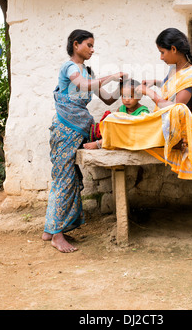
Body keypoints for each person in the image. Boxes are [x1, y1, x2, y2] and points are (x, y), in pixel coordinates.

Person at [42, 29, 127, 253]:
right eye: (88, 45)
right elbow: (83, 86)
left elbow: (108, 99)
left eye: (93, 45)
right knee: (64, 179)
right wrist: (110, 76)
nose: (92, 49)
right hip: (65, 129)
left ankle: (50, 229)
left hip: (78, 129)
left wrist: (123, 86)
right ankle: (57, 235)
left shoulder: (88, 73)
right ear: (76, 44)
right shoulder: (69, 67)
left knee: (66, 177)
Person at [100, 28, 192, 180]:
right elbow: (172, 87)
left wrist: (149, 92)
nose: (161, 57)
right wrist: (155, 83)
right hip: (159, 120)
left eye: (162, 52)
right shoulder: (174, 69)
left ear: (173, 49)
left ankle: (174, 140)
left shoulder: (191, 74)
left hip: (174, 126)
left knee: (120, 124)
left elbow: (175, 107)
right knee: (112, 119)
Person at [83, 78, 150, 150]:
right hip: (121, 136)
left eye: (130, 96)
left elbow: (142, 130)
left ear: (139, 96)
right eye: (124, 96)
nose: (126, 100)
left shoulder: (143, 111)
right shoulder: (121, 109)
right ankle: (104, 140)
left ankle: (100, 143)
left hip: (133, 137)